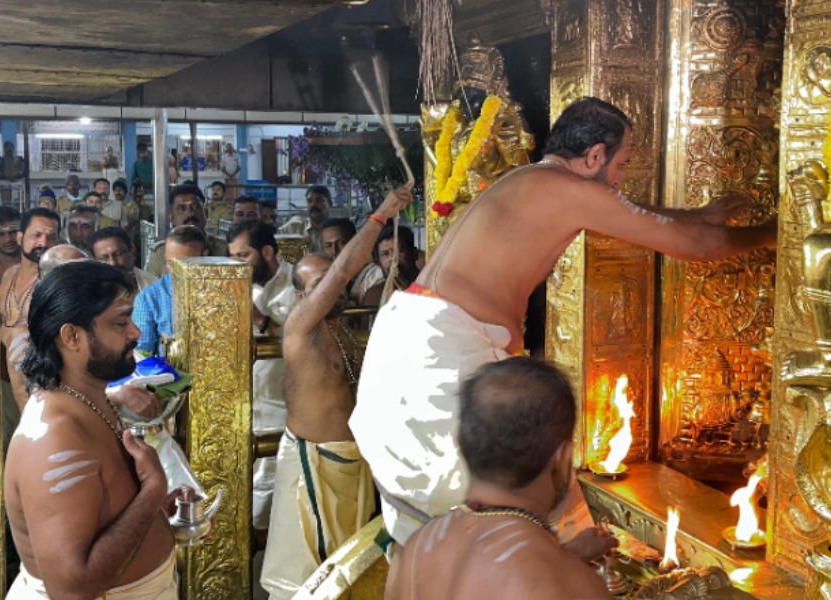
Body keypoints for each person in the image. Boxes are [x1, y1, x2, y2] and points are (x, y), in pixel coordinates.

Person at [350, 97, 777, 546]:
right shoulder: (567, 189)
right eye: (622, 163)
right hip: (439, 354)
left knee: (474, 517)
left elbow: (642, 216)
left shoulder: (536, 180)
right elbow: (696, 247)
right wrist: (773, 232)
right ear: (594, 156)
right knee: (496, 517)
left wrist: (704, 216)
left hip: (415, 340)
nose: (620, 178)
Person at [261, 184, 411, 599]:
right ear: (299, 296)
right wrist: (382, 213)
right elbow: (346, 269)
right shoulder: (300, 328)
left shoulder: (341, 330)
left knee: (351, 566)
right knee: (318, 579)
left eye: (335, 281)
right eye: (321, 283)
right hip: (318, 465)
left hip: (352, 461)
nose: (335, 288)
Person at [5, 260, 179, 599]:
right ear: (72, 336)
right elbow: (72, 588)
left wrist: (159, 513)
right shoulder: (54, 439)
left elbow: (101, 515)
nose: (136, 333)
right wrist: (151, 493)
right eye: (120, 323)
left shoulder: (91, 398)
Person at [384, 358, 614, 600]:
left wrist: (564, 555)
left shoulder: (415, 550)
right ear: (562, 459)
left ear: (460, 445)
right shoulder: (574, 586)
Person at [229, 219, 298, 529]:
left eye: (243, 256)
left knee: (272, 508)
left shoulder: (298, 281)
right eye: (232, 257)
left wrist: (258, 319)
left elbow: (305, 340)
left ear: (267, 251)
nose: (236, 265)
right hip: (242, 409)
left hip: (281, 411)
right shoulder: (233, 284)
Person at [0, 208, 62, 413]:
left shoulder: (54, 283)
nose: (43, 243)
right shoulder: (8, 275)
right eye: (37, 235)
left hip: (40, 392)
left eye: (51, 237)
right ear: (20, 237)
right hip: (3, 387)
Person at [133, 226, 206, 357]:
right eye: (170, 263)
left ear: (205, 256)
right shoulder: (149, 298)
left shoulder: (225, 291)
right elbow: (142, 354)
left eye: (185, 263)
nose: (176, 270)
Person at [146, 185, 228, 279]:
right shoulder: (160, 253)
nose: (190, 214)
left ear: (206, 213)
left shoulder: (223, 249)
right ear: (172, 217)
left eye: (195, 207)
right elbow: (152, 290)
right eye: (182, 209)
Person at [320, 217, 384, 305]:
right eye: (328, 245)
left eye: (341, 243)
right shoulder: (322, 279)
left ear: (355, 243)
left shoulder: (374, 275)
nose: (335, 251)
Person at [363, 224, 421, 305]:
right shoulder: (373, 295)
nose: (393, 259)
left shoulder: (431, 286)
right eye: (385, 254)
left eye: (398, 251)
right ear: (379, 261)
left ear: (414, 254)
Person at [89, 227, 157, 290]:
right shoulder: (88, 290)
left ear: (132, 250)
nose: (112, 263)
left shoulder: (153, 285)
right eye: (104, 258)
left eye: (118, 254)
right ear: (94, 260)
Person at [280, 185, 330, 252]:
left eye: (318, 200)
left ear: (330, 204)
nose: (313, 205)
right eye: (309, 201)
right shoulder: (294, 227)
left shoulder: (336, 231)